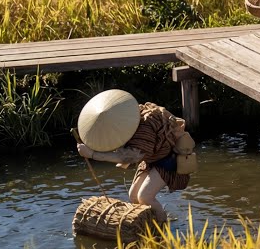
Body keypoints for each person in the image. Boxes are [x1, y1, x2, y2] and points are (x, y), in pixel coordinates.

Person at [73, 89, 194, 221]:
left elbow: (128, 157)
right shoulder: (131, 118)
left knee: (145, 197)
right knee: (134, 196)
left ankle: (163, 227)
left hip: (168, 160)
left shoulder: (144, 128)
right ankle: (147, 222)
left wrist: (92, 154)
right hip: (152, 158)